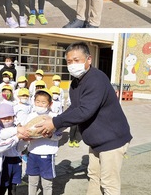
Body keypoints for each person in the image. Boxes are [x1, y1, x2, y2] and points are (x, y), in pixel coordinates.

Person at [35, 42, 133, 195]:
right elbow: (74, 108)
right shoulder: (75, 84)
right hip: (96, 141)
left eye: (76, 60)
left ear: (89, 60)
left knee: (109, 183)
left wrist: (54, 123)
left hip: (112, 140)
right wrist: (56, 125)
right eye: (69, 62)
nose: (72, 65)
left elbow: (85, 111)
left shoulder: (96, 78)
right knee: (94, 176)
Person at [24, 88, 62, 195]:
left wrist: (50, 136)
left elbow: (59, 135)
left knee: (47, 183)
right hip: (32, 153)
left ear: (50, 103)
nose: (40, 104)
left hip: (47, 154)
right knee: (32, 181)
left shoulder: (54, 117)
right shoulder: (31, 116)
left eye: (43, 102)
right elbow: (26, 131)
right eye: (37, 101)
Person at [0, 103, 24, 195]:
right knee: (2, 187)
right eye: (3, 118)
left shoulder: (16, 128)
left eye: (9, 117)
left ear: (14, 117)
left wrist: (25, 141)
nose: (7, 120)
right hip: (4, 162)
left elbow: (20, 148)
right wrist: (18, 133)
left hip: (17, 160)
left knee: (13, 187)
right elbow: (3, 134)